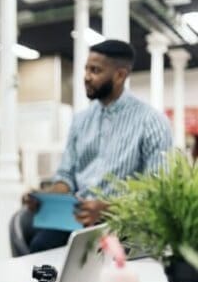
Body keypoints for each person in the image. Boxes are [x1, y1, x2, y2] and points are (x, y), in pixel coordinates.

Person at [23, 39, 173, 253]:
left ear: (120, 75)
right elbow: (66, 176)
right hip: (77, 220)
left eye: (95, 70)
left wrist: (107, 209)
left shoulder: (151, 122)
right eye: (86, 69)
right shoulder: (81, 120)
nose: (86, 77)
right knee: (40, 248)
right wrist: (46, 198)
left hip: (124, 225)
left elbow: (157, 194)